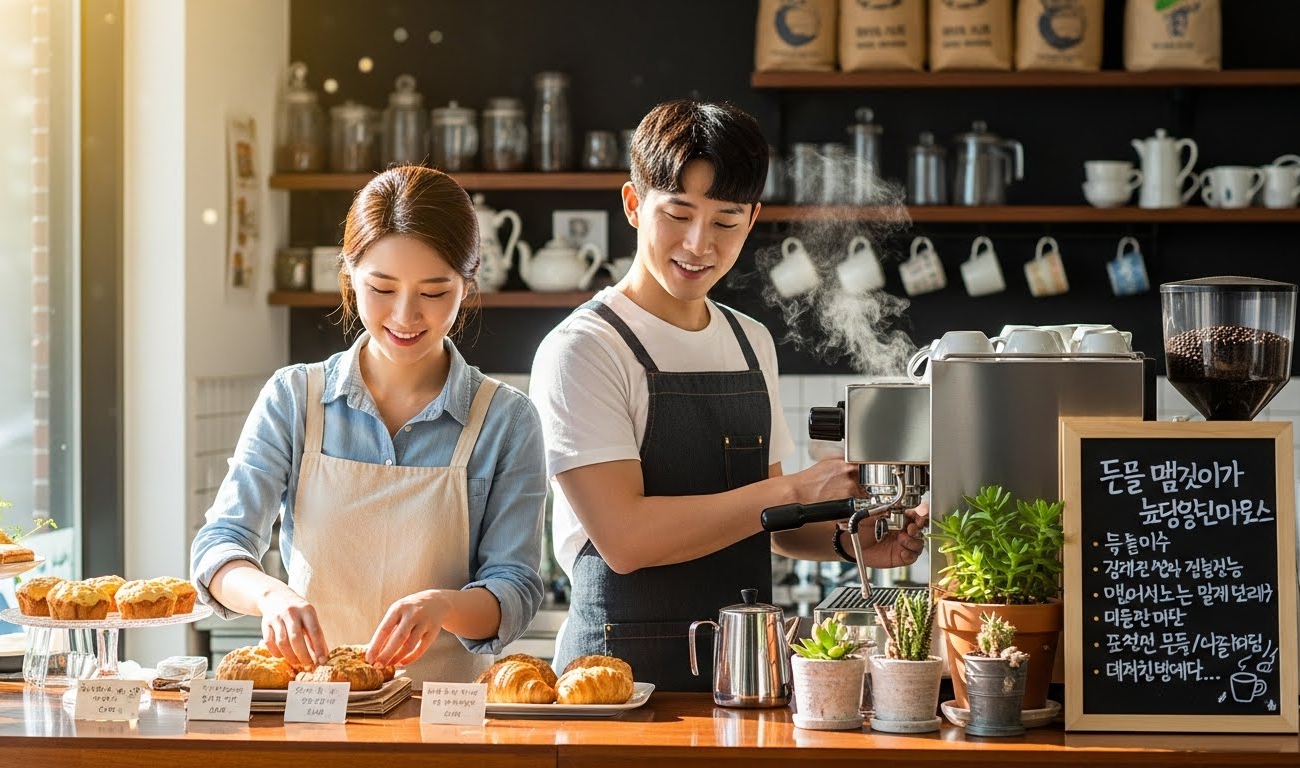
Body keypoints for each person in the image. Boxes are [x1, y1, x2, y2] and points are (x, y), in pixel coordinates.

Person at [529, 100, 929, 691]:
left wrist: (851, 539)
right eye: (679, 213)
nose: (699, 244)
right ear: (634, 205)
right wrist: (793, 487)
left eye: (725, 220)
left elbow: (773, 524)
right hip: (615, 686)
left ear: (752, 218)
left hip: (742, 677)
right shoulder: (585, 349)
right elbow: (624, 538)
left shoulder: (750, 341)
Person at [191, 165, 547, 686]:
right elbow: (220, 545)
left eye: (434, 292)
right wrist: (271, 595)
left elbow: (514, 589)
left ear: (467, 287)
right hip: (315, 708)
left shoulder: (506, 420)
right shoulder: (295, 400)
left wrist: (445, 605)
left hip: (445, 717)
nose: (406, 316)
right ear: (349, 275)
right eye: (382, 287)